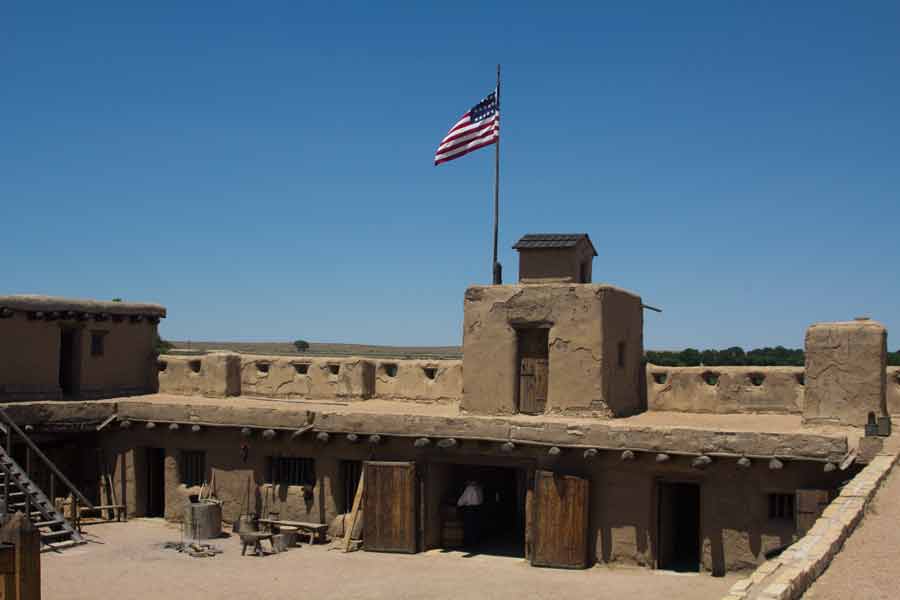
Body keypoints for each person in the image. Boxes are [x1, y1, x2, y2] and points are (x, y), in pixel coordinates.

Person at [457, 480, 484, 547]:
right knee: (476, 525)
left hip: (470, 509)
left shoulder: (469, 488)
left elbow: (464, 499)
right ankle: (476, 541)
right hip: (478, 508)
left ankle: (469, 543)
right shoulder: (479, 487)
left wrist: (458, 504)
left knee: (469, 526)